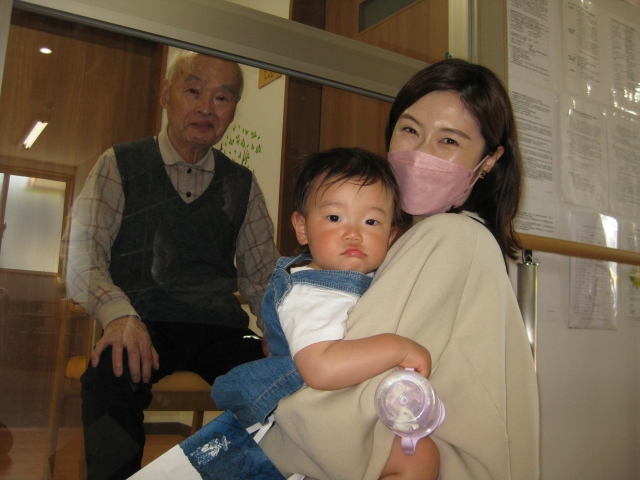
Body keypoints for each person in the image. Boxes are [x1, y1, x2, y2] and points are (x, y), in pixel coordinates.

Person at [258, 59, 540, 479]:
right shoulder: (390, 243)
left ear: (488, 160)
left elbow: (341, 393)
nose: (421, 153)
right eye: (410, 130)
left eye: (449, 140)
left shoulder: (450, 237)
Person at [64, 50, 279, 480]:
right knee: (110, 375)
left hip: (220, 327)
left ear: (233, 109)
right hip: (141, 320)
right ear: (166, 95)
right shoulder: (119, 164)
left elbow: (262, 276)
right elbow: (82, 255)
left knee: (280, 383)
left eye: (222, 98)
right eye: (194, 91)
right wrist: (118, 315)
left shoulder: (242, 183)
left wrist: (279, 331)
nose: (206, 108)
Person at [212, 147, 439, 479]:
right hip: (311, 415)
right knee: (417, 457)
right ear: (302, 227)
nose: (354, 233)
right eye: (334, 218)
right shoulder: (310, 292)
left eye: (371, 221)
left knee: (421, 456)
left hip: (354, 407)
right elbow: (319, 368)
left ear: (391, 237)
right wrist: (397, 348)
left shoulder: (377, 282)